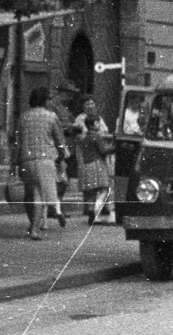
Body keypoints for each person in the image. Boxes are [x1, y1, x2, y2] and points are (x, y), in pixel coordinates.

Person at [17, 88, 66, 240]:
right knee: (39, 195)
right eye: (49, 99)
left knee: (28, 194)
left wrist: (14, 162)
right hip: (44, 160)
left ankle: (33, 223)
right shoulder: (51, 117)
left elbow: (18, 143)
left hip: (25, 159)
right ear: (45, 100)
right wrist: (62, 155)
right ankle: (35, 230)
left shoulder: (23, 117)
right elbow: (59, 140)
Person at [72, 97, 115, 224]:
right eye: (87, 103)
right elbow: (81, 136)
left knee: (91, 187)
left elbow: (104, 131)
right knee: (99, 186)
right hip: (90, 155)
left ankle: (95, 208)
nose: (90, 106)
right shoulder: (80, 120)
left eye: (92, 103)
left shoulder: (99, 119)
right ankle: (94, 208)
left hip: (93, 155)